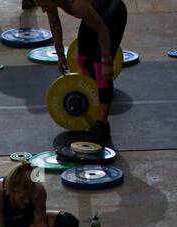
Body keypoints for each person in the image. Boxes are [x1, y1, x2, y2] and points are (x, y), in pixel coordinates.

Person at [38, 0, 127, 140]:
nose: (43, 10)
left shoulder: (78, 5)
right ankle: (96, 101)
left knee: (100, 69)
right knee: (83, 60)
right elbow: (54, 23)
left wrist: (107, 62)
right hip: (94, 14)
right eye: (41, 7)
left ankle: (103, 124)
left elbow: (103, 30)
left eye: (45, 6)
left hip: (113, 14)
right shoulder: (51, 3)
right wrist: (60, 55)